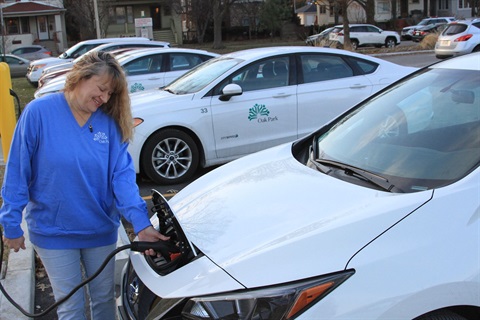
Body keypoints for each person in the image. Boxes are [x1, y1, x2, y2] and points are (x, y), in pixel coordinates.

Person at [0, 51, 167, 320]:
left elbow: (121, 178)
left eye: (110, 94)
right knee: (71, 307)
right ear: (79, 77)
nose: (104, 98)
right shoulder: (39, 113)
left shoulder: (109, 123)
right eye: (101, 89)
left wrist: (141, 224)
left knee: (103, 301)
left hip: (98, 230)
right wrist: (10, 223)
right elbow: (18, 171)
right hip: (53, 232)